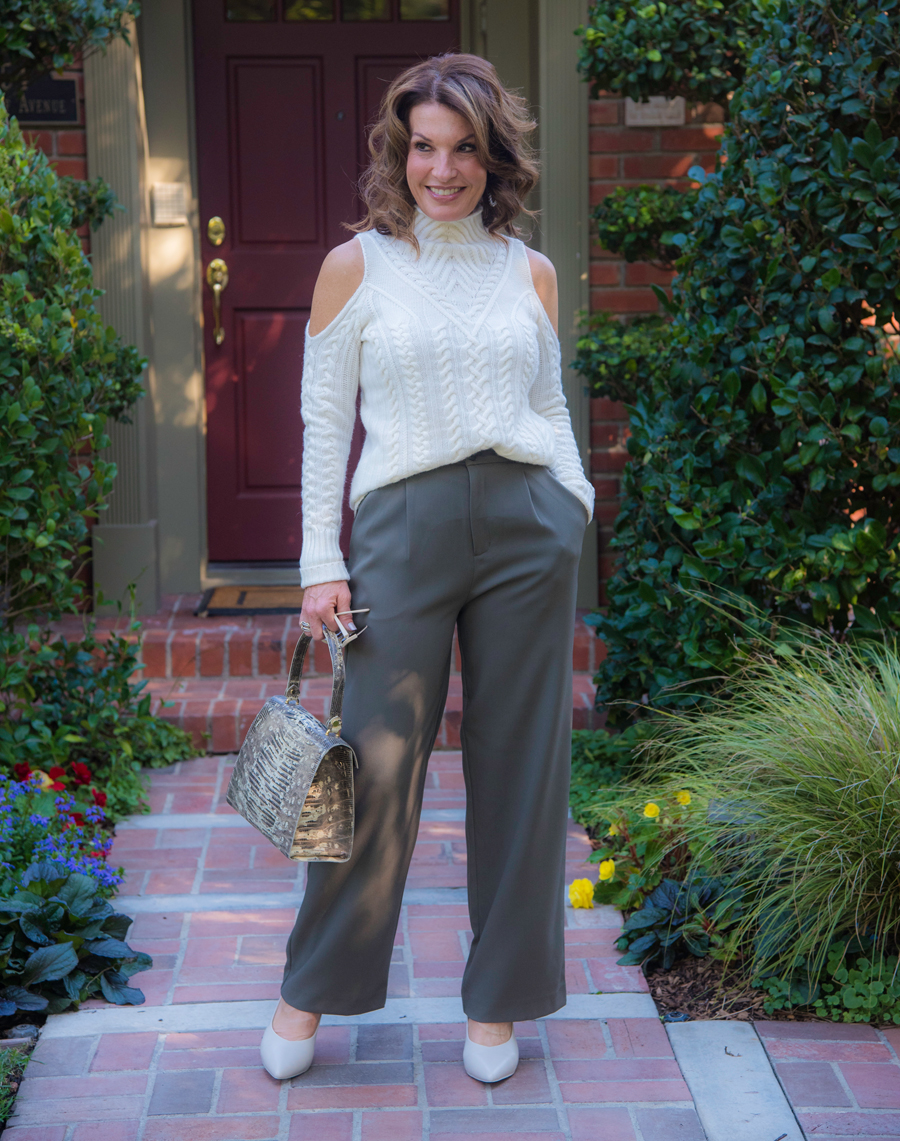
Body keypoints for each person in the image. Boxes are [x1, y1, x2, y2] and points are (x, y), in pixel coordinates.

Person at [260, 52, 594, 1086]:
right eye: (422, 147)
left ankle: (500, 1006)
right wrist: (322, 562)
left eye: (461, 149)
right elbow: (324, 424)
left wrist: (570, 500)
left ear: (493, 160)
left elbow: (547, 408)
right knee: (372, 766)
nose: (439, 169)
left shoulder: (528, 273)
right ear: (399, 154)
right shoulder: (355, 265)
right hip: (400, 528)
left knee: (523, 765)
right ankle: (309, 987)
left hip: (527, 526)